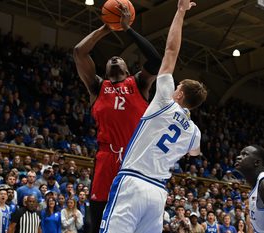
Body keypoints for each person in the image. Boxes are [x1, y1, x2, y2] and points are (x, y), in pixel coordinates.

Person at [100, 0, 207, 232]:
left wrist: (180, 11)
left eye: (177, 85)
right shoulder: (194, 133)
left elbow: (170, 51)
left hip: (133, 181)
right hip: (158, 193)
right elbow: (194, 153)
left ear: (178, 93)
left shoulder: (164, 102)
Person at [73, 2, 161, 233]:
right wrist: (106, 28)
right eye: (110, 58)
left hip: (134, 159)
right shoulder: (97, 86)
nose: (114, 58)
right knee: (96, 220)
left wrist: (128, 29)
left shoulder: (139, 84)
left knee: (132, 219)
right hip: (106, 157)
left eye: (119, 58)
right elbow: (79, 52)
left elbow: (155, 61)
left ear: (127, 68)